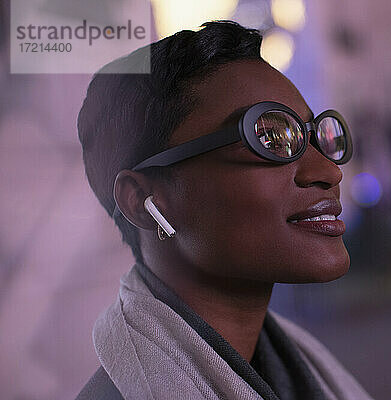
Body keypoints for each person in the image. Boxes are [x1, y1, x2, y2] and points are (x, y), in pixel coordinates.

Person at [76, 20, 372, 400]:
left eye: (315, 136)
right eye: (270, 137)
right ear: (143, 202)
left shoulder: (295, 371)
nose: (328, 171)